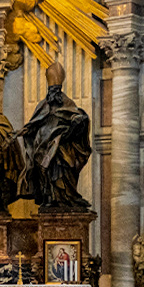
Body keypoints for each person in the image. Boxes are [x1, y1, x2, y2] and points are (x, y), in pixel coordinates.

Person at [16, 60, 93, 210]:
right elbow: (34, 123)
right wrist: (26, 130)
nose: (54, 93)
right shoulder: (43, 104)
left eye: (56, 90)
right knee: (43, 170)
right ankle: (48, 197)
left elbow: (77, 117)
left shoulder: (67, 102)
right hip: (42, 143)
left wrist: (77, 120)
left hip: (60, 144)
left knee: (61, 169)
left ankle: (65, 197)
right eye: (52, 90)